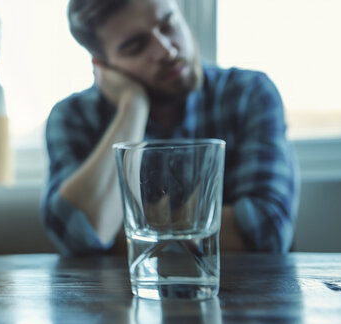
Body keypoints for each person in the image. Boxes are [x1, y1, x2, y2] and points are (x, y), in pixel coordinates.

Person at [41, 0, 299, 256]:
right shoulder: (73, 116)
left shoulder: (248, 93)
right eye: (136, 46)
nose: (166, 50)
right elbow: (78, 236)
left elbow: (267, 230)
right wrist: (132, 107)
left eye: (168, 24)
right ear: (103, 67)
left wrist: (131, 229)